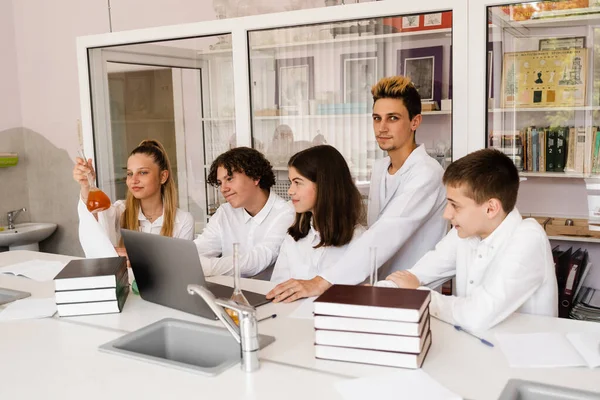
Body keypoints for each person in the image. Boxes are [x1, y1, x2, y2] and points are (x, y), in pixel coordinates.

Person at [268, 76, 448, 300]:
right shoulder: (381, 168)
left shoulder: (427, 173)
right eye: (376, 118)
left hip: (412, 293)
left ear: (415, 121)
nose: (382, 127)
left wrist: (321, 281)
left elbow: (384, 235)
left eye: (393, 118)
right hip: (376, 287)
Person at [384, 148, 558, 331]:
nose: (446, 214)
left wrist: (416, 295)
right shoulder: (466, 232)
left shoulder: (528, 238)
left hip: (522, 356)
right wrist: (377, 291)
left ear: (491, 208)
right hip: (477, 348)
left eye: (455, 206)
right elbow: (417, 275)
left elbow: (478, 315)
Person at [266, 146, 365, 302]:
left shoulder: (359, 240)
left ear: (324, 185)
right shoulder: (294, 236)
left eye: (298, 182)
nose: (290, 191)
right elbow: (278, 289)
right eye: (291, 182)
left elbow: (359, 299)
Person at [74, 139, 195, 259]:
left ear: (163, 176)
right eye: (130, 174)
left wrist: (137, 259)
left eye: (143, 173)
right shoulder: (120, 211)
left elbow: (179, 268)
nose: (134, 180)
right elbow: (94, 224)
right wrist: (86, 185)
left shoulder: (183, 221)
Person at [197, 146, 295, 278]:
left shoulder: (286, 213)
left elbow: (257, 261)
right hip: (226, 292)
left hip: (267, 296)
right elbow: (197, 251)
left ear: (255, 177)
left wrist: (203, 266)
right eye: (220, 183)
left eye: (230, 179)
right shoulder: (225, 212)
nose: (223, 189)